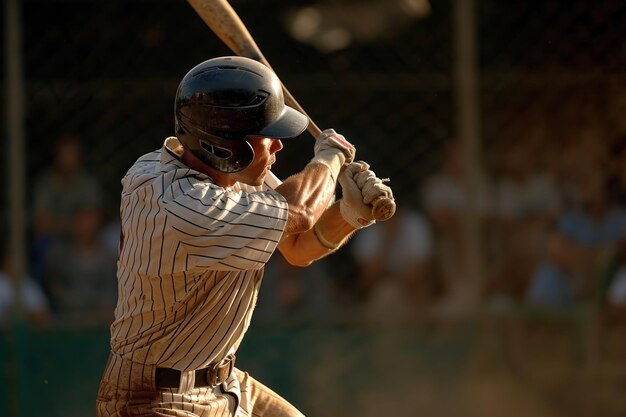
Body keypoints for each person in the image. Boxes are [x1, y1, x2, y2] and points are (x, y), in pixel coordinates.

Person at [95, 56, 393, 417]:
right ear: (227, 147)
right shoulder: (185, 207)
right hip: (154, 400)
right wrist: (329, 160)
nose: (278, 147)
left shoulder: (224, 176)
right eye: (267, 136)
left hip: (223, 382)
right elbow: (299, 212)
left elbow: (299, 247)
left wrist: (350, 214)